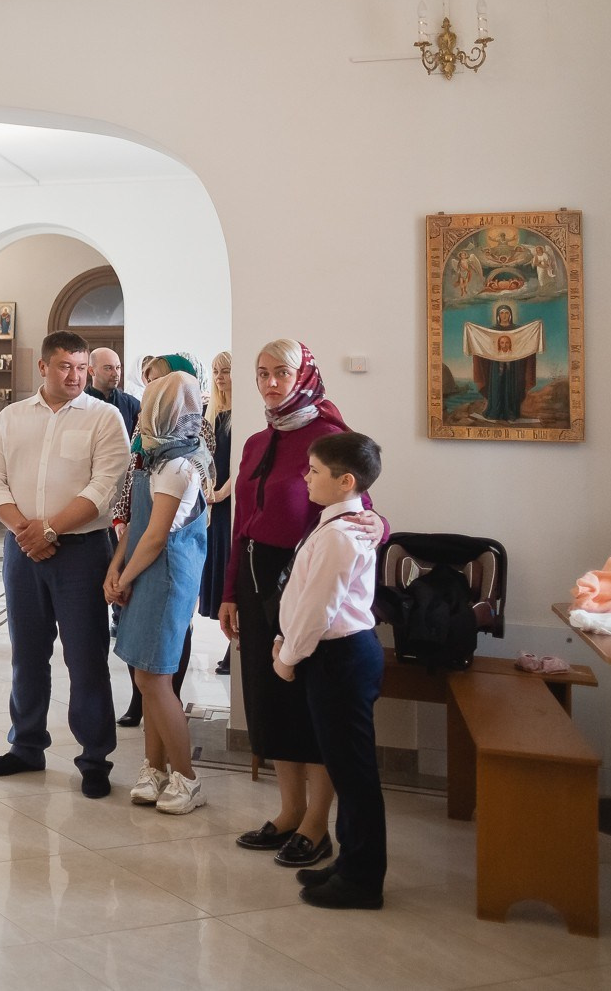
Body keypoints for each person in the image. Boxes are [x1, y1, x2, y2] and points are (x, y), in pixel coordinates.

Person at [219, 339, 354, 869]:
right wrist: (229, 591)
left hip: (304, 585)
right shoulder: (255, 443)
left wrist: (378, 524)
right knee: (269, 697)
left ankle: (317, 825)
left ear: (304, 374)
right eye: (262, 375)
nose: (271, 383)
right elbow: (240, 525)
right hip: (255, 585)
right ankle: (289, 811)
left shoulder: (332, 438)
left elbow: (359, 511)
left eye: (281, 373)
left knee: (308, 703)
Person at [0, 330, 130, 796]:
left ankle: (94, 758)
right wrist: (28, 531)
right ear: (43, 367)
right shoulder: (11, 417)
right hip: (22, 551)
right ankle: (26, 745)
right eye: (66, 367)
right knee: (27, 653)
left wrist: (49, 530)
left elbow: (105, 487)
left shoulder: (105, 418)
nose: (76, 376)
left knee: (85, 658)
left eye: (82, 368)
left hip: (82, 552)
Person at [277, 431, 389, 910]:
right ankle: (348, 863)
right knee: (346, 769)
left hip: (341, 657)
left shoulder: (344, 536)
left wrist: (287, 657)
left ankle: (363, 879)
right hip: (335, 657)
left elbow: (317, 610)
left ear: (346, 482)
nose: (306, 476)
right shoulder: (338, 523)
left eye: (315, 470)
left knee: (355, 774)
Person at [107, 372, 212, 815]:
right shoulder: (154, 459)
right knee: (144, 675)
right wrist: (115, 566)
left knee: (155, 677)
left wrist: (125, 576)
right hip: (144, 570)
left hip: (165, 577)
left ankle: (187, 778)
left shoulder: (178, 464)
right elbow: (133, 528)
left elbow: (154, 538)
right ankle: (154, 768)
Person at [202, 351, 236, 674]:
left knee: (229, 569)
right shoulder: (212, 412)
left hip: (227, 503)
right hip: (213, 504)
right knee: (217, 568)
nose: (220, 377)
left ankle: (232, 648)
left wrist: (221, 493)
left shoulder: (240, 414)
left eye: (225, 370)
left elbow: (239, 466)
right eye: (215, 371)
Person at [465, 302, 542, 423]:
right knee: (496, 388)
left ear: (510, 315)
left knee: (512, 388)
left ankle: (511, 413)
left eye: (507, 313)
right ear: (498, 315)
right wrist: (472, 331)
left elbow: (525, 340)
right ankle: (494, 413)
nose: (504, 315)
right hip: (496, 366)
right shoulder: (492, 331)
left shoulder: (517, 330)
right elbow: (484, 344)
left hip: (513, 366)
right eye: (502, 313)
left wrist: (534, 328)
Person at [87, 347, 140, 435]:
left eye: (118, 367)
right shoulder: (78, 403)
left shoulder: (132, 404)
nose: (115, 374)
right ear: (91, 371)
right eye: (108, 368)